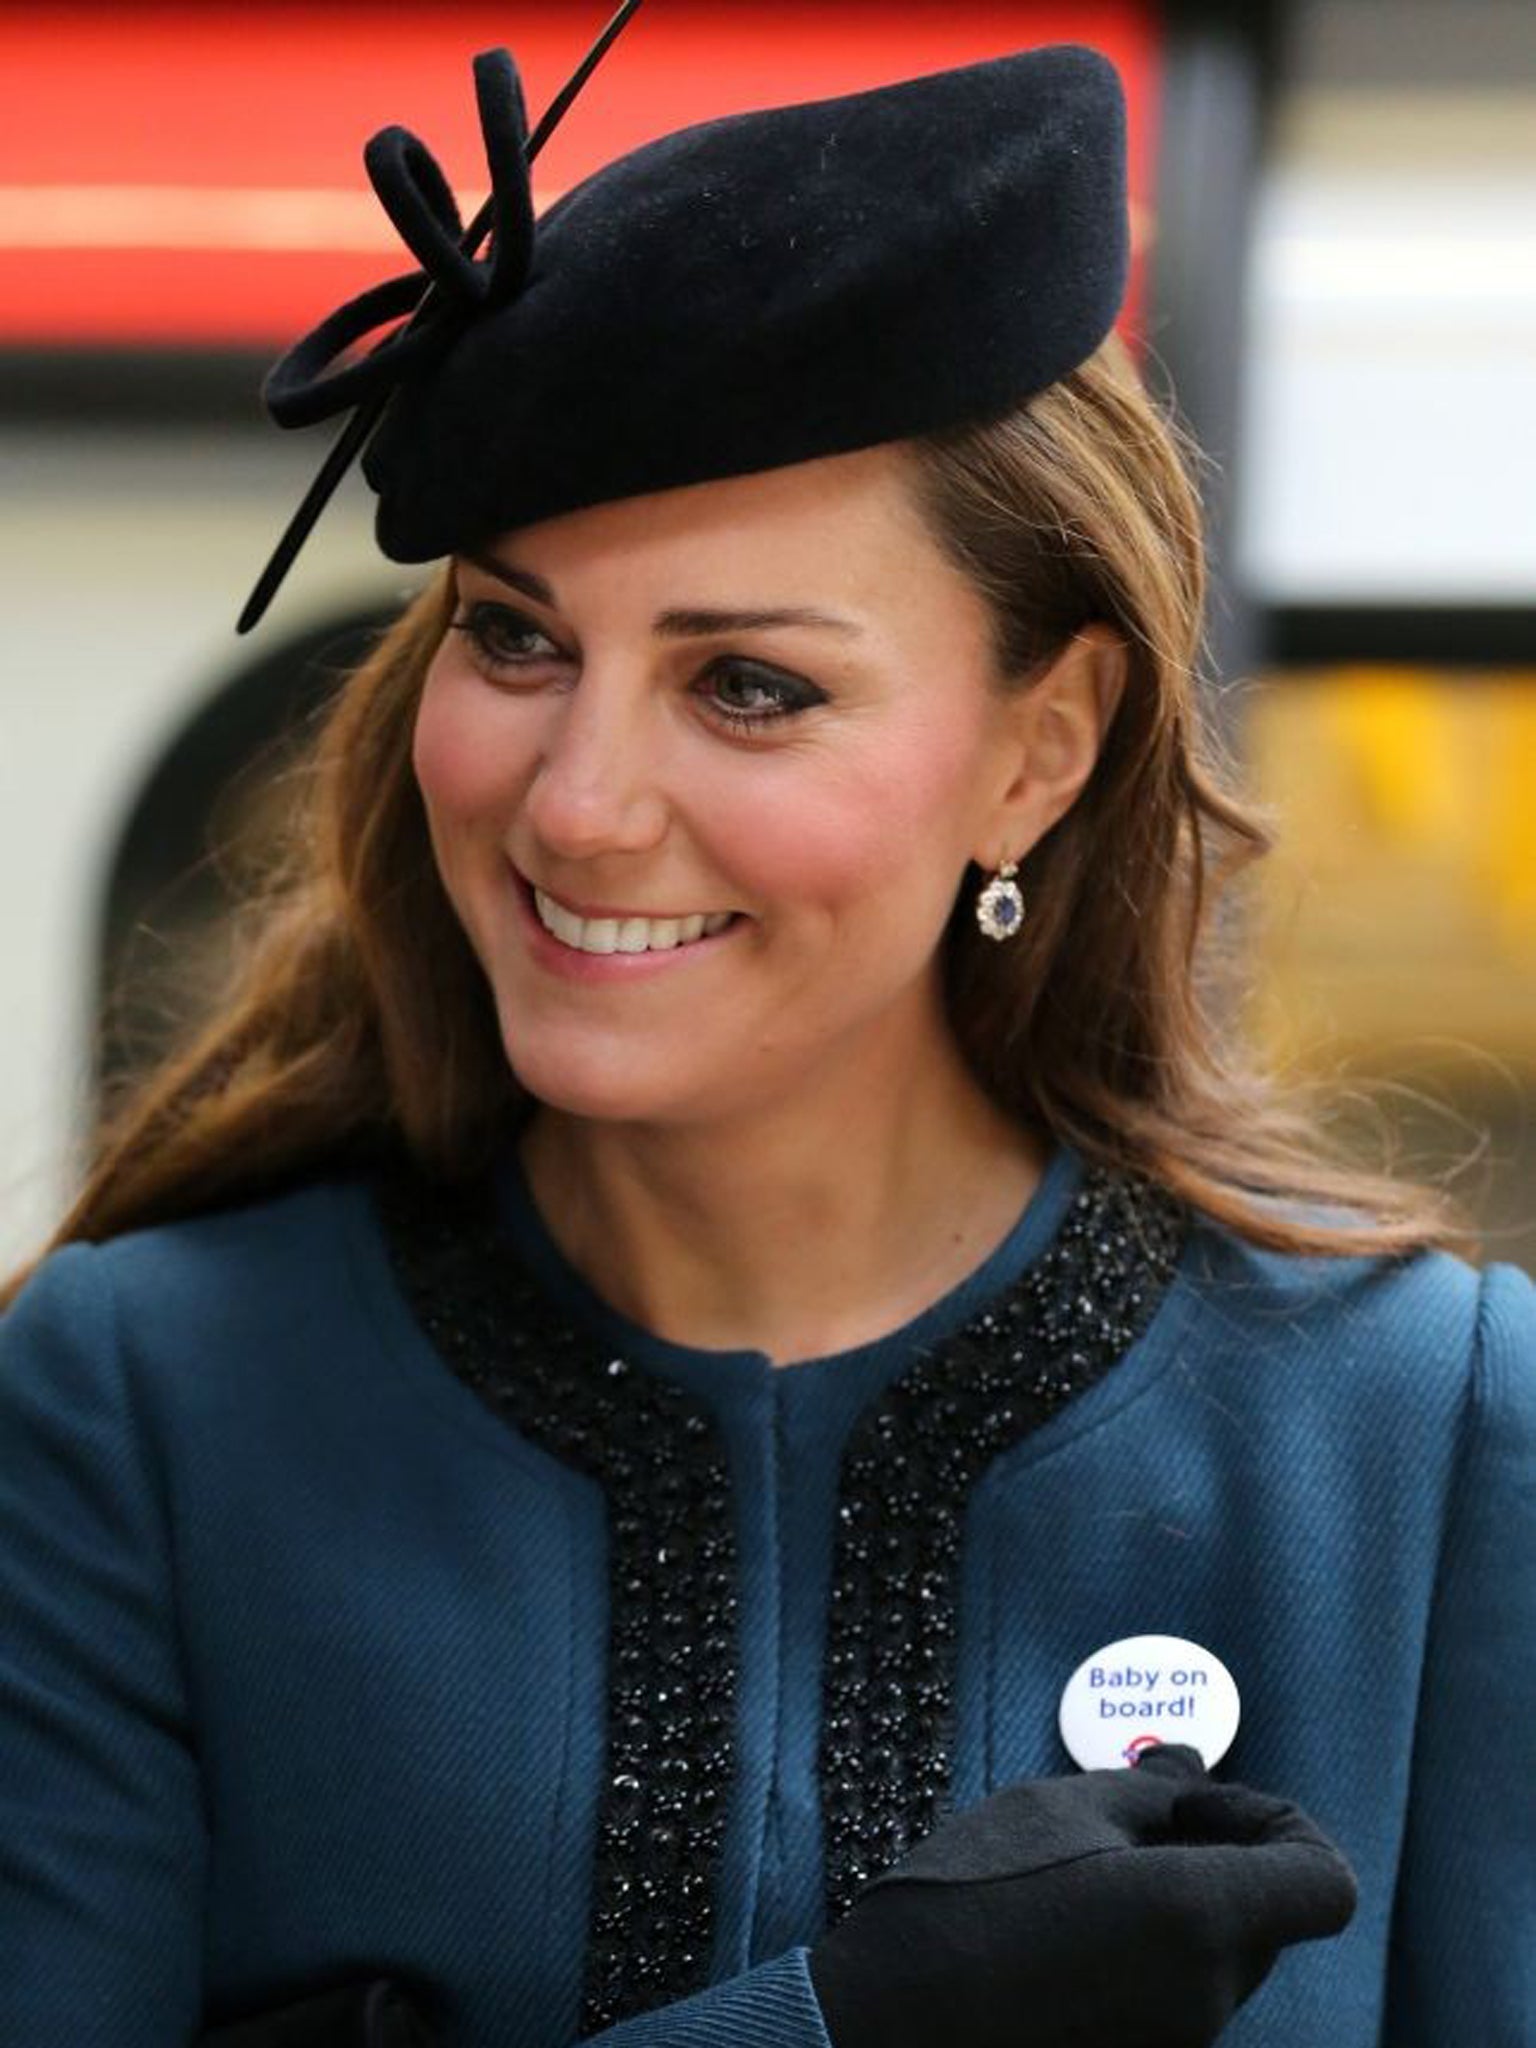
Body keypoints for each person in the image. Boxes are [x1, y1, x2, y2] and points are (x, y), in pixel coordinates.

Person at [1, 33, 1531, 2048]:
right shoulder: (139, 1412)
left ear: (1039, 748)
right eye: (517, 637)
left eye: (745, 685)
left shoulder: (1425, 1439)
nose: (573, 802)